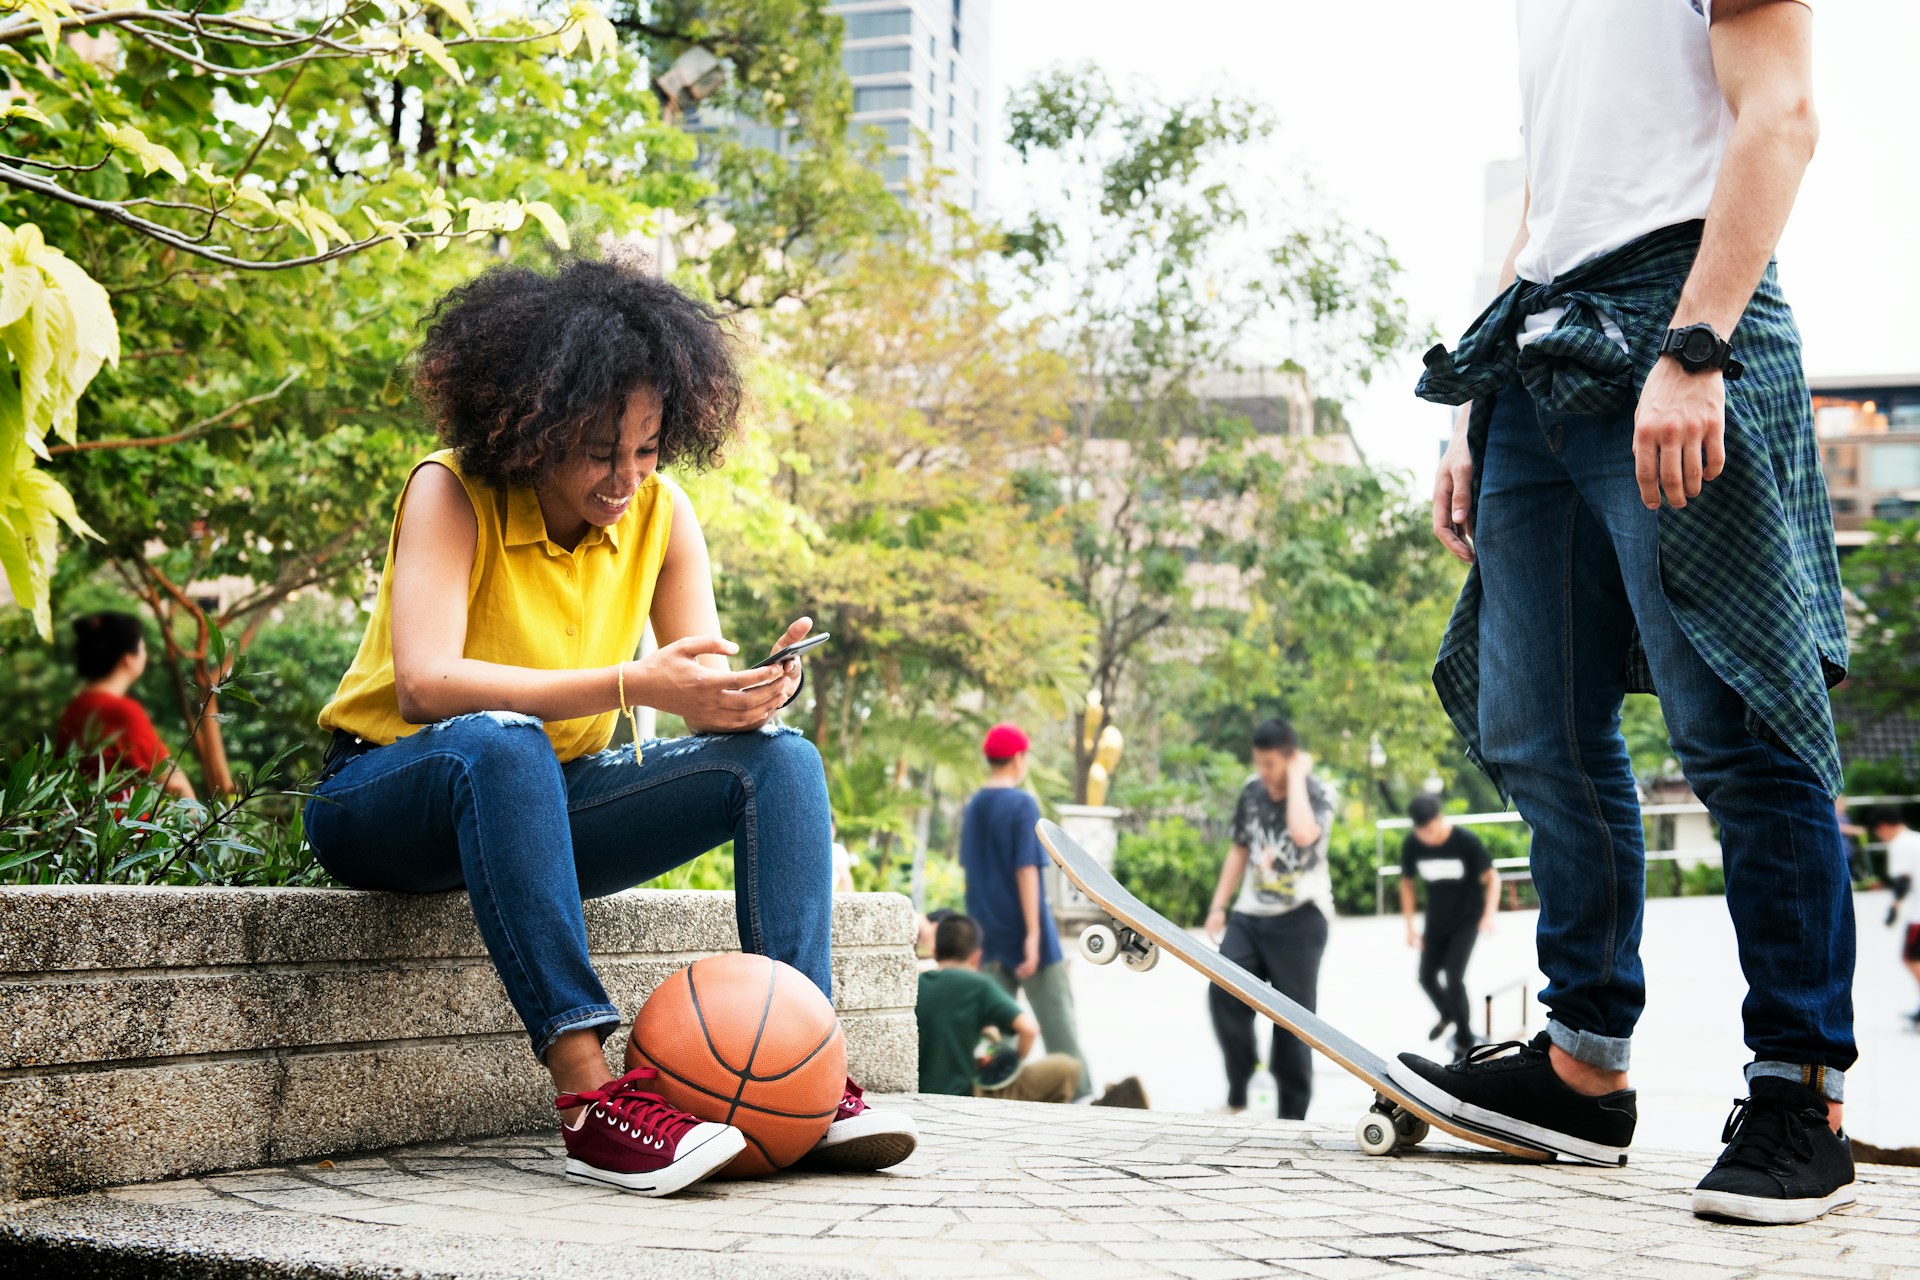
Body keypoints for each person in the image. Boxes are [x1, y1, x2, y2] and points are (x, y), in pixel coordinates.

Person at [304, 258, 913, 1195]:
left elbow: (694, 679)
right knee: (500, 740)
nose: (625, 478)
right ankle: (593, 1098)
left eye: (647, 449)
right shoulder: (451, 489)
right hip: (388, 796)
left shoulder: (664, 515)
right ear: (530, 427)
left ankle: (807, 1072)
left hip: (546, 806)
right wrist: (635, 681)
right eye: (597, 450)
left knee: (778, 764)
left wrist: (749, 694)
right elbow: (426, 685)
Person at [1402, 0, 1855, 1224]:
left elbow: (1783, 114)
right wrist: (1466, 415)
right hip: (1542, 346)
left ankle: (1799, 1090)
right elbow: (1552, 204)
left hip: (1684, 310)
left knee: (1740, 719)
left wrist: (1698, 343)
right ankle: (1583, 1064)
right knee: (1534, 722)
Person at [1204, 718, 1334, 1121]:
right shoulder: (1251, 790)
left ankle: (1292, 1117)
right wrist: (1218, 905)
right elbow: (1239, 848)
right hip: (1251, 915)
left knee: (1293, 1021)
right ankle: (1240, 1091)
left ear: (1291, 760)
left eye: (1272, 764)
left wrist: (1295, 777)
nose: (1263, 773)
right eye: (1259, 764)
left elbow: (1301, 833)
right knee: (1223, 992)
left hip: (1302, 919)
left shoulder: (1319, 793)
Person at [958, 722, 1093, 1099]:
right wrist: (1034, 936)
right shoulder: (1021, 803)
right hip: (1027, 935)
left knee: (992, 1031)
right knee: (1058, 1024)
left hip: (986, 936)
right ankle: (1080, 1096)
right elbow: (1026, 872)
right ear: (1018, 759)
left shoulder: (975, 805)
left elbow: (971, 875)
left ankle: (993, 1096)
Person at [916, 914, 1084, 1103]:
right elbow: (1028, 1029)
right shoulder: (976, 985)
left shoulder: (917, 985)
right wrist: (1009, 1065)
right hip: (966, 1093)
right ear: (976, 957)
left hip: (921, 1093)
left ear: (935, 952)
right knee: (1065, 1067)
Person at [55, 611, 196, 801]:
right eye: (143, 647)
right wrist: (201, 827)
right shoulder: (121, 712)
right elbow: (174, 783)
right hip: (120, 829)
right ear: (129, 657)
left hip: (80, 826)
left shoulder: (75, 708)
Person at [1399, 796, 1497, 1058]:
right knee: (1426, 977)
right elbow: (1407, 884)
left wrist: (1488, 914)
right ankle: (1448, 1013)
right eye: (1423, 832)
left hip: (1467, 920)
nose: (1428, 838)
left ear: (1441, 820)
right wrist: (1409, 926)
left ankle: (1464, 1040)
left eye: (1431, 830)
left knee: (1454, 978)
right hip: (1436, 921)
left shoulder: (1465, 841)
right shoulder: (1413, 845)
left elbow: (1492, 878)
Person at [1865, 808, 1920, 1027]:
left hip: (1918, 915)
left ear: (1884, 827)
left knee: (1911, 960)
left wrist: (1893, 908)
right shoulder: (1916, 838)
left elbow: (1903, 882)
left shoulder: (1899, 845)